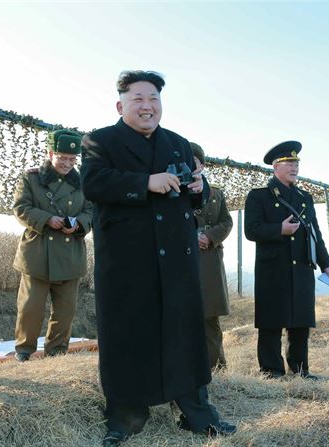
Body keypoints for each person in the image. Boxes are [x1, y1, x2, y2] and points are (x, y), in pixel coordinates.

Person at [81, 70, 236, 447]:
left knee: (184, 333)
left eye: (153, 99)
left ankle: (196, 411)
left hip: (177, 260)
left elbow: (193, 195)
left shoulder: (178, 143)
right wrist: (144, 182)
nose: (147, 106)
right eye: (138, 99)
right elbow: (93, 184)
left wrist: (200, 188)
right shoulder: (100, 141)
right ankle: (126, 417)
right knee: (128, 335)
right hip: (127, 262)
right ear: (121, 105)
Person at [244, 141, 329, 380]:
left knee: (301, 321)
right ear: (275, 167)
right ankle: (271, 370)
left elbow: (315, 233)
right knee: (271, 321)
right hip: (273, 267)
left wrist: (326, 262)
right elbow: (251, 231)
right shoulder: (258, 197)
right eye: (289, 163)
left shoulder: (305, 198)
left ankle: (300, 368)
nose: (294, 167)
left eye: (296, 163)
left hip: (302, 266)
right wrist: (279, 229)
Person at [12, 130, 93, 362]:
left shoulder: (82, 183)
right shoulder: (31, 178)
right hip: (37, 253)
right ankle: (24, 351)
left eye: (72, 159)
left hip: (70, 254)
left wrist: (78, 225)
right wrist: (47, 219)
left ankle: (56, 353)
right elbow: (20, 208)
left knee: (65, 311)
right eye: (62, 157)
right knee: (30, 309)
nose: (67, 163)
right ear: (50, 153)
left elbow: (91, 211)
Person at [190, 142, 233, 371]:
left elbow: (226, 221)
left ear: (202, 165)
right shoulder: (172, 191)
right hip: (183, 260)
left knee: (210, 318)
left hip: (209, 261)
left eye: (193, 163)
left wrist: (209, 237)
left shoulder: (216, 193)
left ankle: (217, 367)